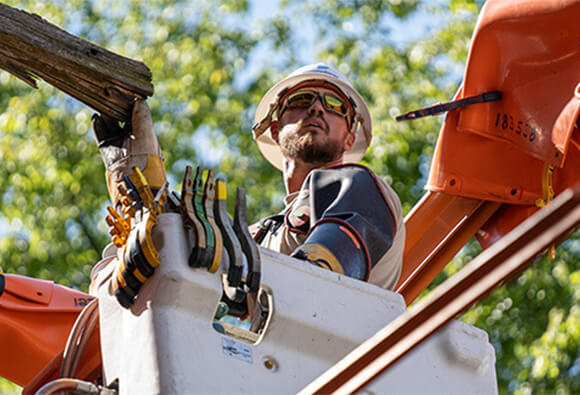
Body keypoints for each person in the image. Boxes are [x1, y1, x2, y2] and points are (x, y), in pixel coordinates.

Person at [251, 63, 405, 290]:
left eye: (335, 105)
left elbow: (316, 286)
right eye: (301, 99)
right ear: (275, 130)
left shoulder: (359, 187)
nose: (316, 108)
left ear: (349, 140)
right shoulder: (262, 235)